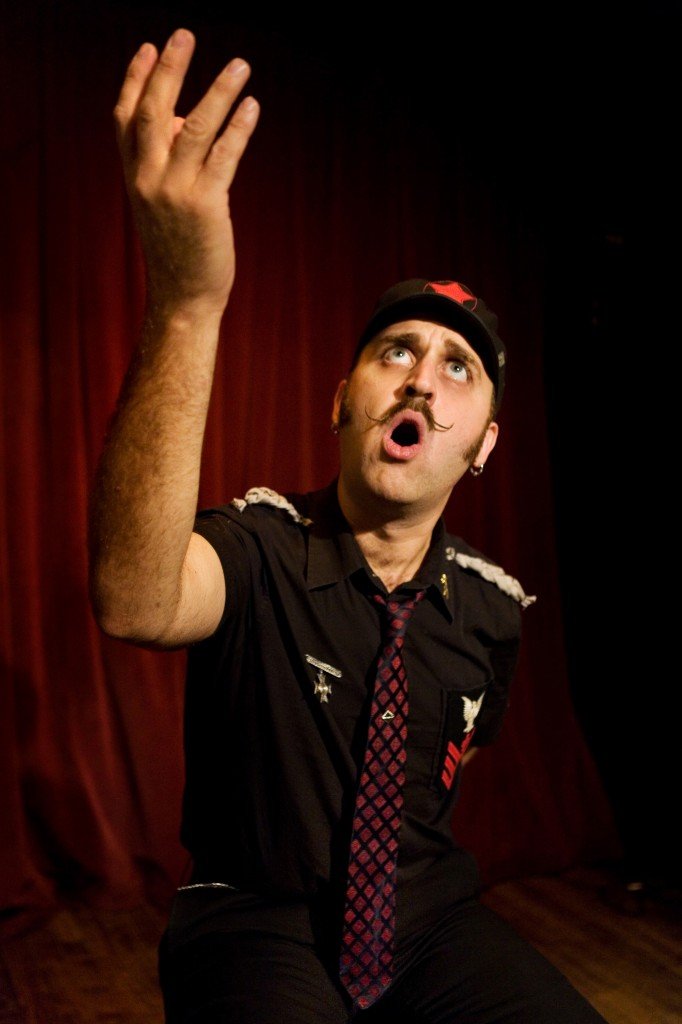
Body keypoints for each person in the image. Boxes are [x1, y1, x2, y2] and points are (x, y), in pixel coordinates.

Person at [88, 28, 608, 1024]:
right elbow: (134, 600)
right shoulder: (260, 543)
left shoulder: (494, 610)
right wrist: (188, 303)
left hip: (431, 925)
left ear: (484, 445)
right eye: (396, 351)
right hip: (252, 919)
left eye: (458, 367)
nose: (421, 378)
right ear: (342, 400)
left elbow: (454, 760)